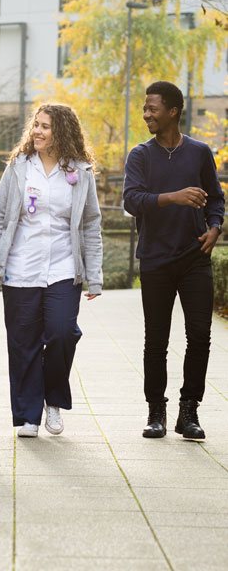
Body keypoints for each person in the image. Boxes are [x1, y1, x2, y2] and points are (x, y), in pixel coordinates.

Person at [0, 103, 103, 438]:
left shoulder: (80, 172)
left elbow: (91, 224)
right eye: (35, 125)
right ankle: (27, 415)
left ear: (61, 131)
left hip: (64, 266)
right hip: (21, 266)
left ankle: (54, 400)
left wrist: (95, 274)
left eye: (45, 126)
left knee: (62, 332)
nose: (37, 131)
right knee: (23, 342)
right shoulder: (19, 167)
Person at [123, 81, 225, 441]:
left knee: (200, 335)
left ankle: (189, 411)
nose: (146, 114)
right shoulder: (140, 155)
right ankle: (156, 412)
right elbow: (132, 200)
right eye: (145, 108)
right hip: (155, 259)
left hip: (194, 257)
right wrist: (173, 197)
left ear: (173, 111)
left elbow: (215, 198)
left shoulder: (199, 152)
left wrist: (215, 228)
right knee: (156, 340)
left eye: (152, 108)